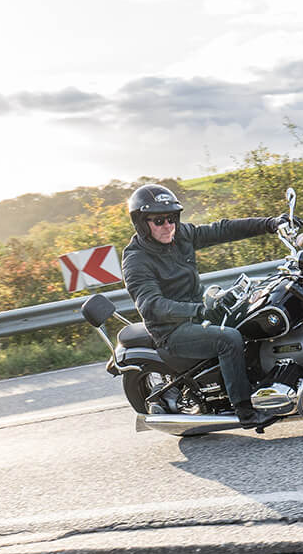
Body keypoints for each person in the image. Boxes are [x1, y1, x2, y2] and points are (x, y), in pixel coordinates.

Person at [121, 183, 289, 427]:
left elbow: (222, 230)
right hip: (171, 331)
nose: (168, 225)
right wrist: (197, 311)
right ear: (141, 223)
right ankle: (245, 412)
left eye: (171, 218)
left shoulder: (180, 235)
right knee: (229, 339)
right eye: (158, 221)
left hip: (198, 312)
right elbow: (151, 305)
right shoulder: (136, 260)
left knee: (253, 311)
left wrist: (270, 224)